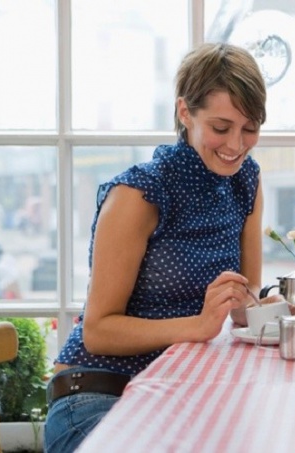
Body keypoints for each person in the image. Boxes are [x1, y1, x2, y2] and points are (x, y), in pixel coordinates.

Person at [44, 42, 272, 453]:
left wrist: (261, 310)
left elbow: (245, 296)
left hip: (179, 393)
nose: (237, 144)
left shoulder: (246, 181)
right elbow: (97, 331)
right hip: (99, 395)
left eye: (250, 127)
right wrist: (198, 325)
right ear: (185, 113)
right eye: (221, 127)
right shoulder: (140, 193)